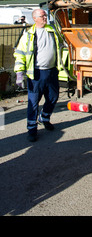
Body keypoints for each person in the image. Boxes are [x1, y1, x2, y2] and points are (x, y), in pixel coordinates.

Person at [14, 9, 62, 142]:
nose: (45, 18)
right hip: (36, 74)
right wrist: (19, 73)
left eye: (45, 15)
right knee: (33, 103)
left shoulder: (52, 31)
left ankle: (44, 118)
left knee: (53, 97)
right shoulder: (28, 35)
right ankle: (32, 129)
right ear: (35, 18)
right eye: (42, 16)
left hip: (52, 71)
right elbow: (19, 54)